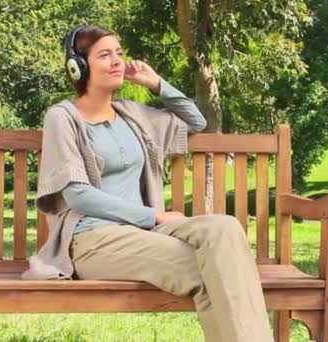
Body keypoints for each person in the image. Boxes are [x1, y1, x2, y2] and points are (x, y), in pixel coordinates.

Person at [22, 24, 274, 342]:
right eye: (104, 55)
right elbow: (78, 195)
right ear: (79, 67)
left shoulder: (131, 114)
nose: (116, 61)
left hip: (144, 233)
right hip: (94, 240)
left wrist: (156, 84)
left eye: (119, 53)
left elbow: (196, 121)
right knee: (214, 273)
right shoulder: (62, 117)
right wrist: (153, 215)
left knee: (224, 228)